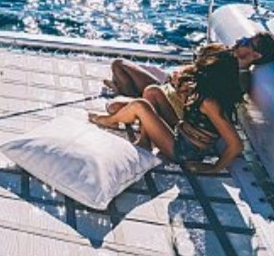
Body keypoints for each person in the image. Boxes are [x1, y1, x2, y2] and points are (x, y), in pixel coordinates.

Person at [89, 48, 244, 174]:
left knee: (140, 106)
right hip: (181, 132)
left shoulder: (210, 102)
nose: (194, 66)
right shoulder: (206, 91)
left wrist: (214, 168)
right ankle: (145, 141)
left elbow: (236, 145)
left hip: (183, 151)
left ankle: (109, 121)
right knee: (152, 91)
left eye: (198, 64)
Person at [103, 32, 274, 124]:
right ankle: (132, 100)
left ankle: (132, 102)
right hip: (167, 89)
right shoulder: (224, 58)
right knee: (119, 65)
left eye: (246, 42)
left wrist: (182, 83)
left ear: (255, 55)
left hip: (175, 108)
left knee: (114, 106)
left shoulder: (239, 80)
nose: (239, 41)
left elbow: (208, 103)